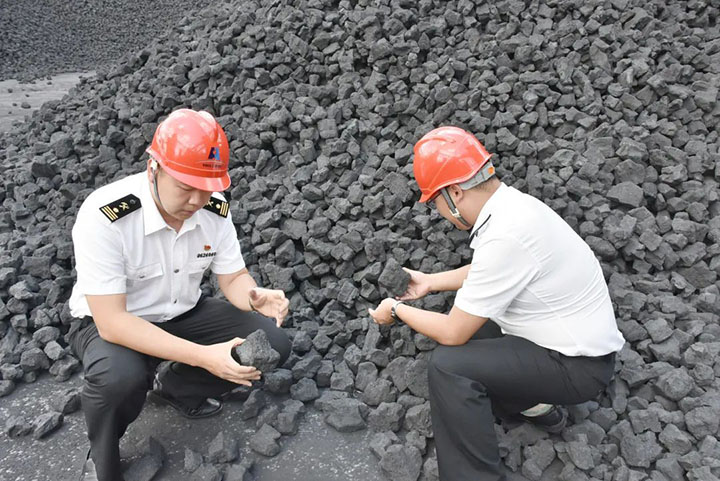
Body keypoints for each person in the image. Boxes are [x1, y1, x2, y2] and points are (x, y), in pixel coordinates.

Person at [368, 126, 625, 481]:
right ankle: (536, 407)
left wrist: (396, 310)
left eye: (435, 202)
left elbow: (453, 332)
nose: (438, 212)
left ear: (454, 192)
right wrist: (430, 281)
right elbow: (490, 271)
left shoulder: (507, 234)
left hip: (578, 367)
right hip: (570, 347)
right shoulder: (514, 207)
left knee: (449, 365)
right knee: (479, 323)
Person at [68, 109, 292, 481]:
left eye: (207, 187)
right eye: (186, 186)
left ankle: (174, 387)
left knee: (273, 344)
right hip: (113, 323)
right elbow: (112, 321)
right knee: (119, 379)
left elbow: (233, 277)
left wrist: (254, 296)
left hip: (182, 313)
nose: (197, 199)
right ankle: (102, 460)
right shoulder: (106, 215)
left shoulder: (214, 210)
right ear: (153, 168)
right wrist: (206, 357)